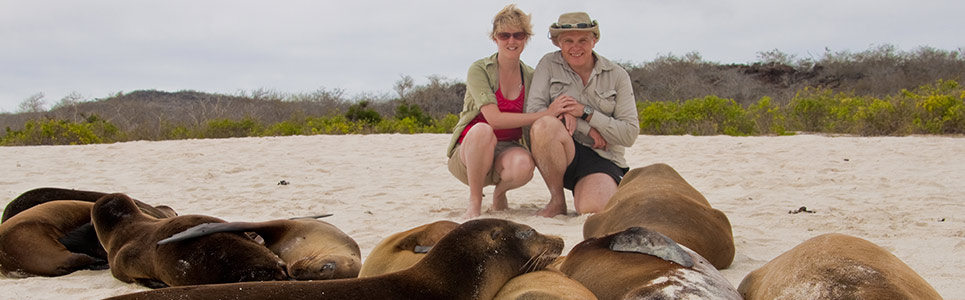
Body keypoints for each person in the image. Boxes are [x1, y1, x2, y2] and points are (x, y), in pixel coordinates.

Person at [447, 4, 575, 220]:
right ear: (494, 38)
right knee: (483, 130)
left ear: (526, 37)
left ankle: (500, 192)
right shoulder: (479, 70)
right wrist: (546, 114)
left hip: (508, 150)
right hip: (468, 153)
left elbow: (555, 101)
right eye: (504, 35)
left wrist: (568, 111)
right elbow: (494, 119)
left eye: (518, 34)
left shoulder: (532, 76)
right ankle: (475, 202)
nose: (511, 41)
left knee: (523, 165)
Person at [525, 11, 639, 217]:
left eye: (583, 40)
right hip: (561, 151)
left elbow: (629, 134)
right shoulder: (548, 65)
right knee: (543, 125)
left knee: (594, 210)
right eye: (568, 40)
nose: (575, 47)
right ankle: (557, 200)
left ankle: (600, 188)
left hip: (603, 157)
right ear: (558, 42)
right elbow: (534, 112)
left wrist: (585, 113)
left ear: (594, 40)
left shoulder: (617, 75)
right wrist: (578, 123)